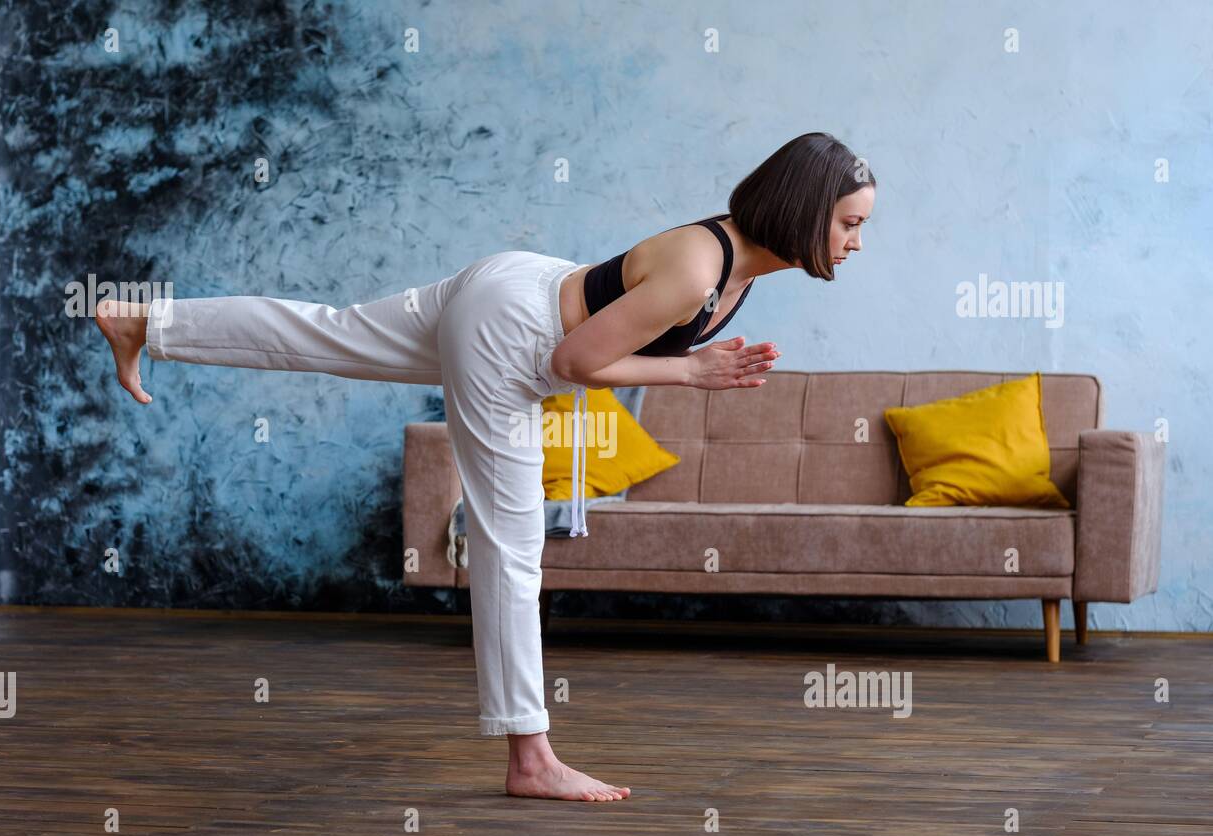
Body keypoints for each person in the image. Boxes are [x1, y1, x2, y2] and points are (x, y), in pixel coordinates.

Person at [94, 131, 875, 802]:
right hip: (513, 336)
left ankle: (145, 319)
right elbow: (573, 359)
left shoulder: (727, 261)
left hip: (513, 284)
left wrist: (695, 360)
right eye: (848, 223)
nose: (854, 242)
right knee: (511, 544)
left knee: (330, 334)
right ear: (805, 210)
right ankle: (531, 759)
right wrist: (692, 372)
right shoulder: (701, 274)